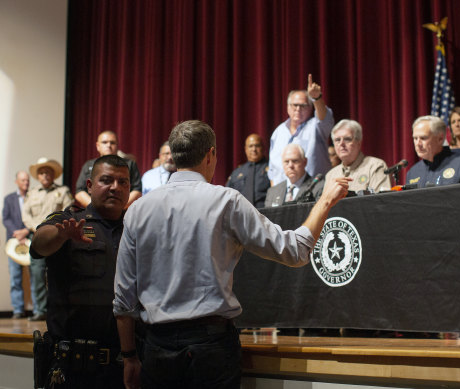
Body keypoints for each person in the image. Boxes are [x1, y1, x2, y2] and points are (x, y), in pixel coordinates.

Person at [113, 120, 350, 389]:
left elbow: (123, 297)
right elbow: (294, 251)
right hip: (211, 346)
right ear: (210, 155)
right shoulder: (227, 201)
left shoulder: (137, 210)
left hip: (156, 347)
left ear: (175, 154)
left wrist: (129, 356)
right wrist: (325, 202)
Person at [30, 155, 130, 388]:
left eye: (122, 182)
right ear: (89, 185)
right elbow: (39, 244)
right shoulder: (69, 220)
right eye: (106, 180)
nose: (115, 187)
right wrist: (61, 235)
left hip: (124, 364)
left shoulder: (136, 228)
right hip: (74, 367)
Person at [22, 158, 74, 321]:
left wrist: (53, 230)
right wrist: (37, 229)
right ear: (38, 176)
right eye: (42, 173)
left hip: (57, 237)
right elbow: (26, 215)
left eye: (48, 172)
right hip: (36, 237)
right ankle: (40, 310)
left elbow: (69, 210)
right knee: (37, 274)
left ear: (53, 175)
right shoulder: (32, 194)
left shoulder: (63, 191)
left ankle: (57, 308)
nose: (45, 175)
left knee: (58, 273)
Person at [268, 74, 334, 185]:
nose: (298, 109)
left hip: (313, 191)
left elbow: (324, 119)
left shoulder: (316, 127)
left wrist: (316, 98)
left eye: (303, 106)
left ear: (310, 107)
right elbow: (273, 171)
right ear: (288, 107)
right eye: (295, 105)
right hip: (284, 195)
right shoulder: (278, 132)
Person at [406, 116, 460, 188]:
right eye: (415, 138)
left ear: (440, 139)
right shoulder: (413, 172)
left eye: (423, 138)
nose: (418, 144)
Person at [75, 131, 142, 207]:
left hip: (123, 213)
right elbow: (79, 191)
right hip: (94, 213)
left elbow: (137, 190)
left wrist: (118, 207)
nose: (109, 145)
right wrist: (96, 208)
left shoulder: (130, 164)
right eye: (104, 142)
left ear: (117, 145)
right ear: (98, 146)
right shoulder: (88, 165)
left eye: (112, 143)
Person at [325, 119, 392, 193]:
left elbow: (381, 201)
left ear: (359, 142)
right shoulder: (330, 175)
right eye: (337, 140)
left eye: (347, 139)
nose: (341, 144)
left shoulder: (375, 166)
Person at [2, 171, 30, 319]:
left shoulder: (33, 196)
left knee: (36, 277)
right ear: (16, 182)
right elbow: (5, 218)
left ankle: (39, 311)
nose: (26, 182)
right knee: (15, 278)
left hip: (31, 240)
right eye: (23, 180)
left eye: (27, 180)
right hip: (13, 243)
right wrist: (17, 233)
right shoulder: (9, 199)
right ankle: (18, 310)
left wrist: (26, 232)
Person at [226, 134, 270, 208]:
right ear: (245, 149)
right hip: (241, 215)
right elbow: (228, 195)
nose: (254, 149)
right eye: (250, 146)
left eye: (257, 145)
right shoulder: (237, 172)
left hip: (265, 214)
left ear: (263, 148)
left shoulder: (271, 169)